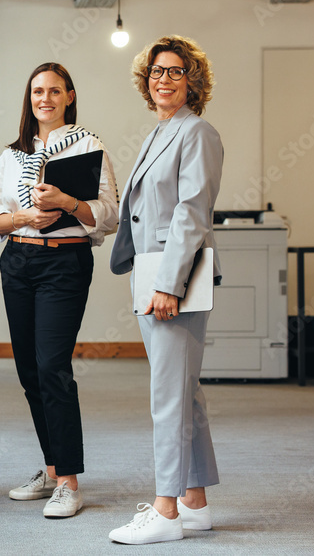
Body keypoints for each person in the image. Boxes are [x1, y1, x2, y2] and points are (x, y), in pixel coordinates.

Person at [0, 63, 118, 519]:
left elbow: (110, 213)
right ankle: (51, 466)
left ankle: (70, 482)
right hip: (17, 261)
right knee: (29, 373)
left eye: (54, 91)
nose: (45, 98)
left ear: (69, 96)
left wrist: (64, 203)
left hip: (64, 261)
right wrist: (21, 218)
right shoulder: (11, 154)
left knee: (53, 367)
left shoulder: (88, 145)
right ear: (30, 98)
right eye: (38, 91)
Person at [108, 35, 223, 545]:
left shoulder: (197, 132)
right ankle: (194, 503)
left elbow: (191, 214)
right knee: (184, 395)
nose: (164, 80)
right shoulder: (160, 133)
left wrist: (168, 284)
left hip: (171, 281)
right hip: (152, 275)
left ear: (192, 81)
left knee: (168, 399)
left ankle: (165, 511)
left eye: (176, 72)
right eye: (157, 71)